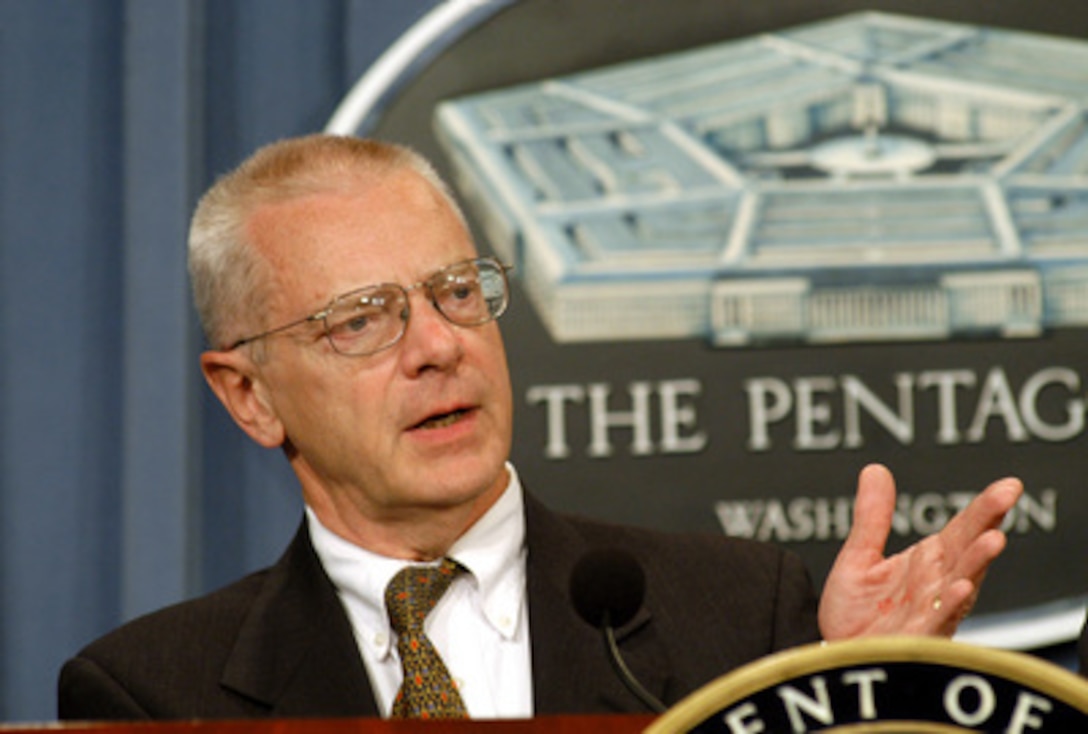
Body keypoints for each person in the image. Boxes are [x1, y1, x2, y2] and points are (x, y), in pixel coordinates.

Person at [57, 134, 1023, 720]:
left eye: (455, 291)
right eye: (360, 319)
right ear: (248, 395)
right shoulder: (151, 692)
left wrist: (854, 698)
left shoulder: (741, 620)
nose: (437, 345)